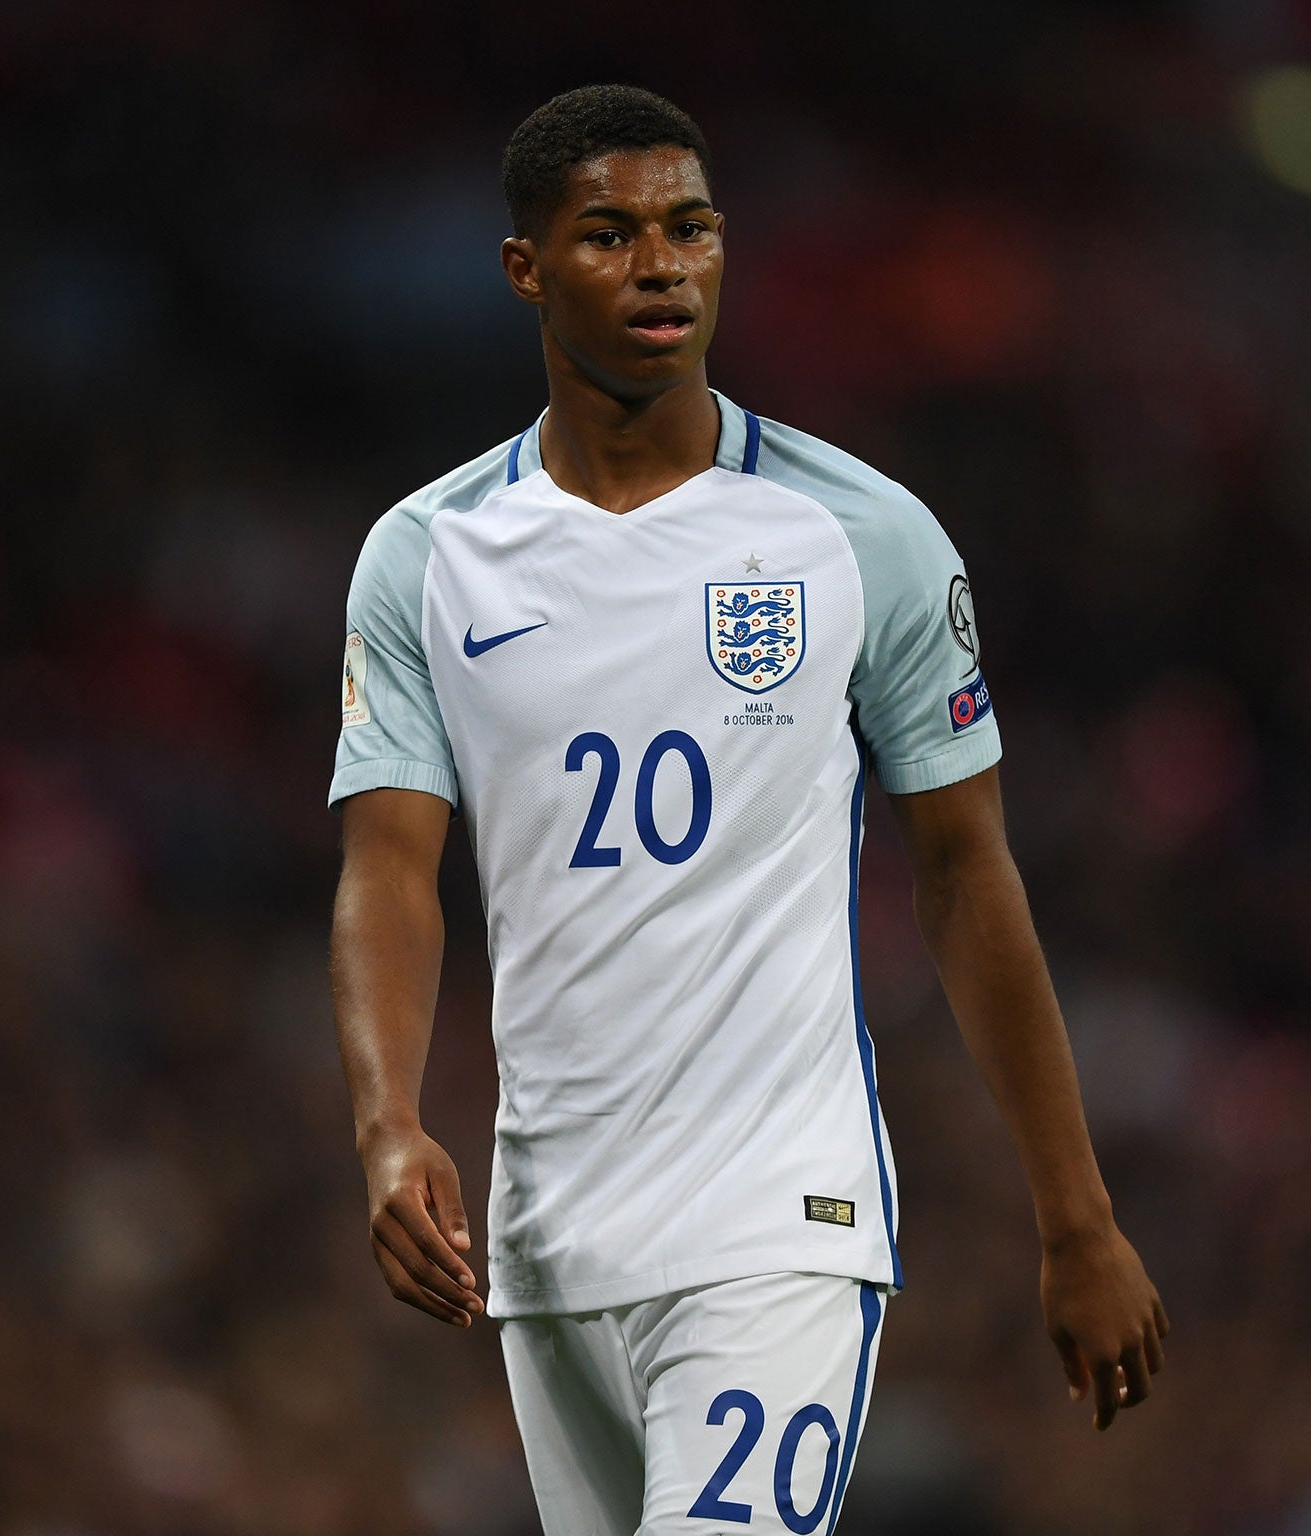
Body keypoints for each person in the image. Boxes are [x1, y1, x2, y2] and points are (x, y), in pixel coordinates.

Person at [328, 84, 1168, 1534]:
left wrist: (1077, 1217)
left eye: (692, 228)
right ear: (526, 268)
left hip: (776, 1222)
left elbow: (970, 877)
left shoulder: (863, 537)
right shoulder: (428, 556)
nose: (661, 266)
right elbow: (389, 871)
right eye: (609, 235)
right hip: (550, 1242)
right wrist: (387, 1124)